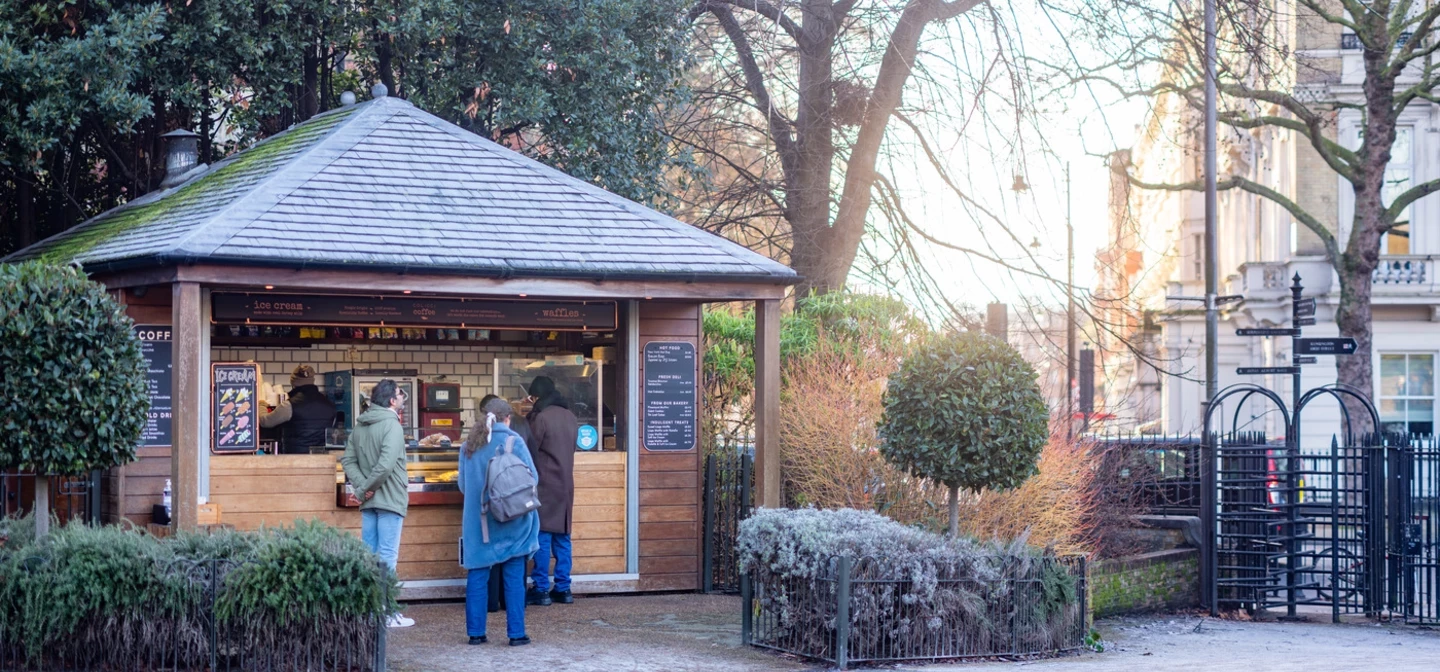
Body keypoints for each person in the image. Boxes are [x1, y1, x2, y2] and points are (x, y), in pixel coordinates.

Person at [460, 397, 540, 646]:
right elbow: (532, 479)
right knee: (515, 577)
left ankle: (476, 634)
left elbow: (463, 485)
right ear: (508, 419)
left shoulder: (468, 445)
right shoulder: (514, 442)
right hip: (512, 520)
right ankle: (516, 634)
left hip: (479, 523)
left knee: (477, 575)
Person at [341, 378, 414, 628]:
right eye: (400, 394)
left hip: (370, 503)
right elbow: (386, 465)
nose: (403, 397)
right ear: (392, 400)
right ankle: (387, 612)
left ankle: (369, 612)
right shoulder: (392, 425)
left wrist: (362, 488)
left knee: (370, 558)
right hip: (390, 498)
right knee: (387, 558)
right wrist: (366, 488)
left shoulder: (361, 425)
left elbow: (348, 460)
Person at [525, 376, 578, 606]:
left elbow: (530, 449)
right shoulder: (570, 416)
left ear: (537, 396)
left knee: (543, 537)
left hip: (545, 484)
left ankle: (541, 589)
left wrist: (529, 414)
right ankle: (564, 588)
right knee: (563, 538)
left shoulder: (542, 418)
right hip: (566, 484)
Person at [263, 365, 336, 454]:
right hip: (321, 459)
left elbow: (265, 422)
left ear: (293, 383)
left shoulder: (290, 405)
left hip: (295, 460)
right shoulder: (329, 404)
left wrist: (261, 404)